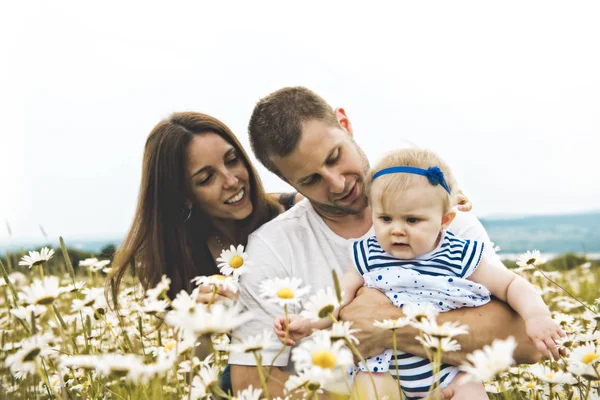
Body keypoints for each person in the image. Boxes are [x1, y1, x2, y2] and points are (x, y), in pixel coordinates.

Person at [230, 87, 542, 398]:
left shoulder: (443, 218)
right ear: (287, 182)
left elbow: (526, 343)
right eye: (311, 180)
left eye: (335, 157)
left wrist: (388, 327)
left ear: (344, 123)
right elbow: (251, 384)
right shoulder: (271, 249)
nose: (337, 184)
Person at [273, 147, 564, 399]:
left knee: (471, 391)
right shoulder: (368, 253)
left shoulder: (459, 254)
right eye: (385, 218)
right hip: (382, 369)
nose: (397, 229)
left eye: (412, 220)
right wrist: (309, 323)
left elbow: (511, 284)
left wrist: (537, 317)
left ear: (444, 220)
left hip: (450, 372)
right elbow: (339, 297)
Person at [107, 111, 301, 392]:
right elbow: (193, 379)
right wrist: (199, 325)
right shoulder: (182, 257)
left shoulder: (293, 213)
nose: (232, 180)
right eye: (207, 178)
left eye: (232, 160)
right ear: (184, 195)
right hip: (253, 377)